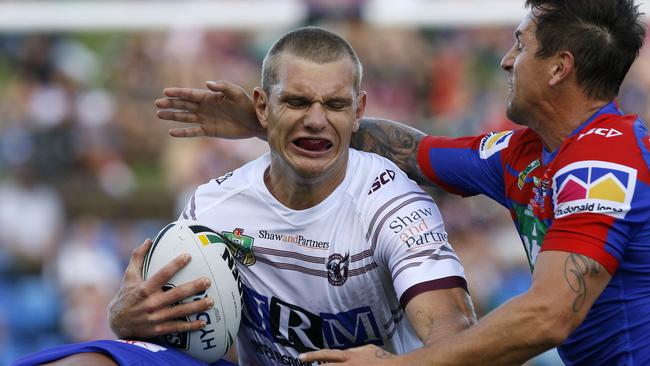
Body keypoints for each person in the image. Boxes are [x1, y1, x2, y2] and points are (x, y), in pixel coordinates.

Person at [154, 1, 650, 365]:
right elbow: (409, 150)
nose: (505, 59)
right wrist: (273, 123)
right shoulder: (521, 152)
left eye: (521, 45)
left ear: (559, 68)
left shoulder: (604, 163)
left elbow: (549, 315)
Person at [13, 27, 475, 366]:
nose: (316, 120)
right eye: (296, 102)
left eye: (335, 105)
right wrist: (129, 317)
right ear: (261, 106)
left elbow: (451, 327)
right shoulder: (214, 205)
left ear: (359, 112)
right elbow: (200, 342)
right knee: (98, 360)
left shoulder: (393, 203)